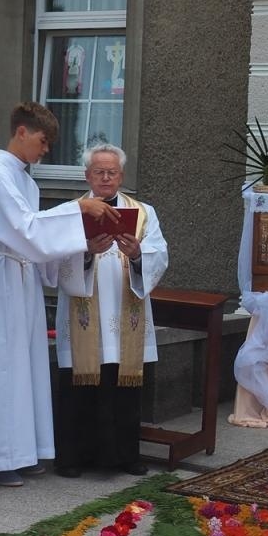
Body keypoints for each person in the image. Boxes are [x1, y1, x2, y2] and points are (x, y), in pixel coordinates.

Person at [0, 103, 114, 485]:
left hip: (24, 277)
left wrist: (83, 247)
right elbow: (25, 229)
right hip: (1, 277)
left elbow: (38, 239)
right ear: (22, 132)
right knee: (0, 366)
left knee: (25, 365)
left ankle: (22, 450)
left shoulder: (26, 182)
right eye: (43, 141)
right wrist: (77, 208)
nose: (45, 150)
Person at [52, 143, 169, 477]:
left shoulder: (143, 213)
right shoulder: (70, 212)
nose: (106, 178)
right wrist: (87, 251)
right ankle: (74, 458)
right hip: (84, 314)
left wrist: (137, 254)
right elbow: (55, 259)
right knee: (81, 386)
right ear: (87, 175)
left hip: (124, 314)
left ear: (121, 176)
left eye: (112, 172)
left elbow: (160, 254)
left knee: (122, 388)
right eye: (99, 172)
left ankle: (125, 456)